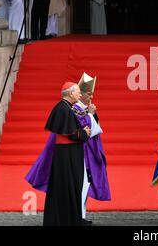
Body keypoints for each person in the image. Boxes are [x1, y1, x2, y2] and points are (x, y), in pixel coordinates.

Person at [41, 82, 91, 226]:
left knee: (71, 186)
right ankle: (68, 220)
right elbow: (71, 134)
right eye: (78, 92)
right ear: (70, 93)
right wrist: (84, 133)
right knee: (68, 186)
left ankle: (71, 218)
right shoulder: (63, 109)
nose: (80, 95)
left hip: (68, 154)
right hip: (67, 155)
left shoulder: (65, 108)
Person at [73, 73, 111, 225]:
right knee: (82, 183)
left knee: (85, 184)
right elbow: (87, 129)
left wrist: (92, 114)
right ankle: (78, 216)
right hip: (80, 152)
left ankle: (81, 214)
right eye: (89, 94)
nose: (91, 96)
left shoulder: (84, 108)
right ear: (80, 94)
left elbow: (96, 128)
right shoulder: (75, 109)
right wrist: (91, 114)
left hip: (87, 151)